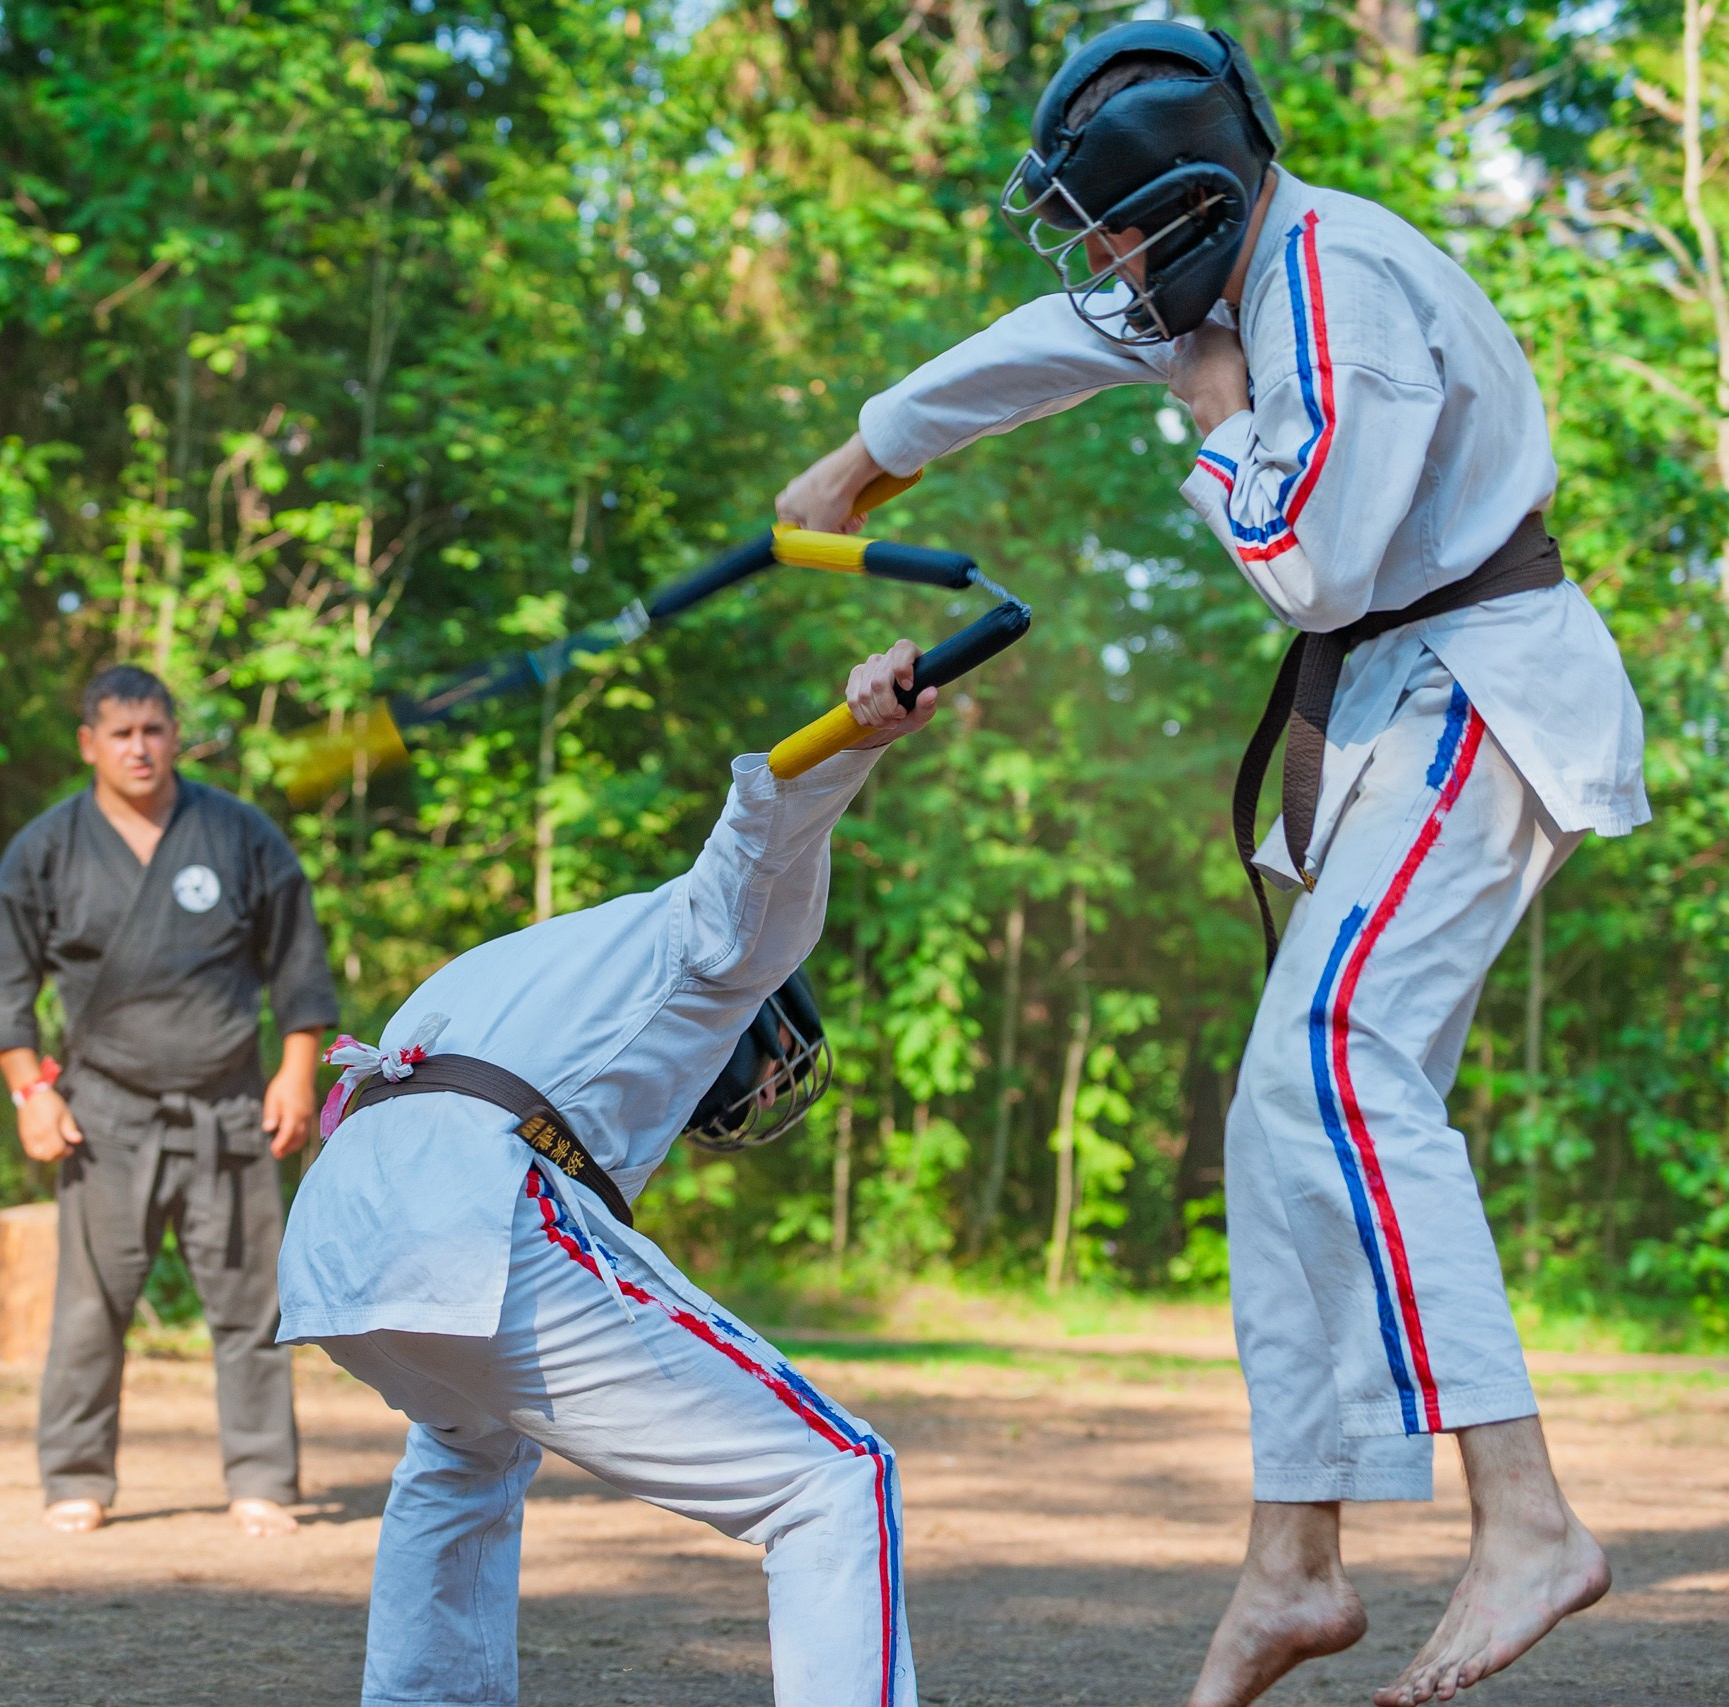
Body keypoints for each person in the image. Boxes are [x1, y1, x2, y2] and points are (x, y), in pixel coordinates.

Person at [775, 22, 1641, 1707]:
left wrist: (1218, 413)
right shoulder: (1220, 256)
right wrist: (871, 452)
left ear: (1185, 208)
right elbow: (1050, 340)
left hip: (1478, 684)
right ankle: (1293, 1562)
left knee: (1337, 1060)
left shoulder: (1343, 295)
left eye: (1111, 234)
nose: (1099, 267)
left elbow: (1312, 569)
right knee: (1281, 1108)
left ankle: (1527, 1516)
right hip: (1402, 697)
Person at [280, 644, 937, 1707]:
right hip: (469, 1208)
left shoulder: (519, 961)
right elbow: (749, 856)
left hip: (337, 1245)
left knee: (463, 1456)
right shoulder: (707, 942)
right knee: (832, 1478)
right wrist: (849, 739)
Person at [0, 663, 340, 1538]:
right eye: (121, 733)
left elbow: (297, 967)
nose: (139, 748)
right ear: (88, 744)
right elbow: (4, 981)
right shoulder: (49, 846)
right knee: (91, 1304)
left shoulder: (238, 833)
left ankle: (261, 1476)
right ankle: (77, 1475)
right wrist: (30, 1089)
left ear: (175, 734)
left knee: (252, 1303)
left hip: (227, 1105)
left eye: (154, 729)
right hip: (104, 1110)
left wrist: (295, 1075)